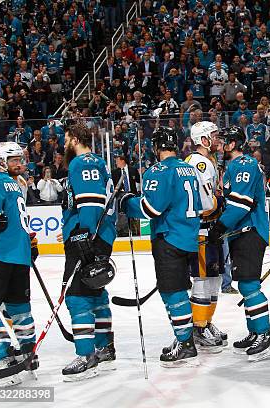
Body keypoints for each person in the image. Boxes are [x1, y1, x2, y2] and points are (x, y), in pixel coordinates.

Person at [120, 127, 202, 367]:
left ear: (156, 147)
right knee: (177, 290)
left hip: (169, 238)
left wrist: (128, 202)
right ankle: (183, 337)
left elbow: (150, 209)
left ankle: (186, 342)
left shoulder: (159, 170)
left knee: (172, 292)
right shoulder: (189, 168)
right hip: (188, 236)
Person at [207, 126, 270, 362]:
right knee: (246, 284)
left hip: (250, 232)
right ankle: (255, 331)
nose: (217, 146)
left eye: (221, 142)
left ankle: (265, 335)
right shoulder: (233, 167)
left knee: (249, 286)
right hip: (241, 232)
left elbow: (241, 204)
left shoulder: (244, 164)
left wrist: (220, 226)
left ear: (232, 144)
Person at [60, 124, 117, 381]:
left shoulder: (81, 163)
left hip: (90, 236)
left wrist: (83, 233)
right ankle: (105, 346)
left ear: (74, 139)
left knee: (76, 295)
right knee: (95, 290)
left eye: (65, 139)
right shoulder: (98, 162)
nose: (63, 144)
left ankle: (86, 354)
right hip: (99, 233)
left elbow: (91, 202)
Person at [0, 142, 35, 387]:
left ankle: (3, 358)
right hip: (20, 255)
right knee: (19, 307)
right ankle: (28, 355)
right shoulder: (13, 183)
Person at [185, 121, 227, 352]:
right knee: (201, 279)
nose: (218, 139)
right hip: (199, 228)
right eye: (214, 135)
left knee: (214, 277)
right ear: (202, 140)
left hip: (211, 228)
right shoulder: (197, 163)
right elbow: (203, 202)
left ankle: (207, 322)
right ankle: (198, 326)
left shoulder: (208, 161)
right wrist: (220, 202)